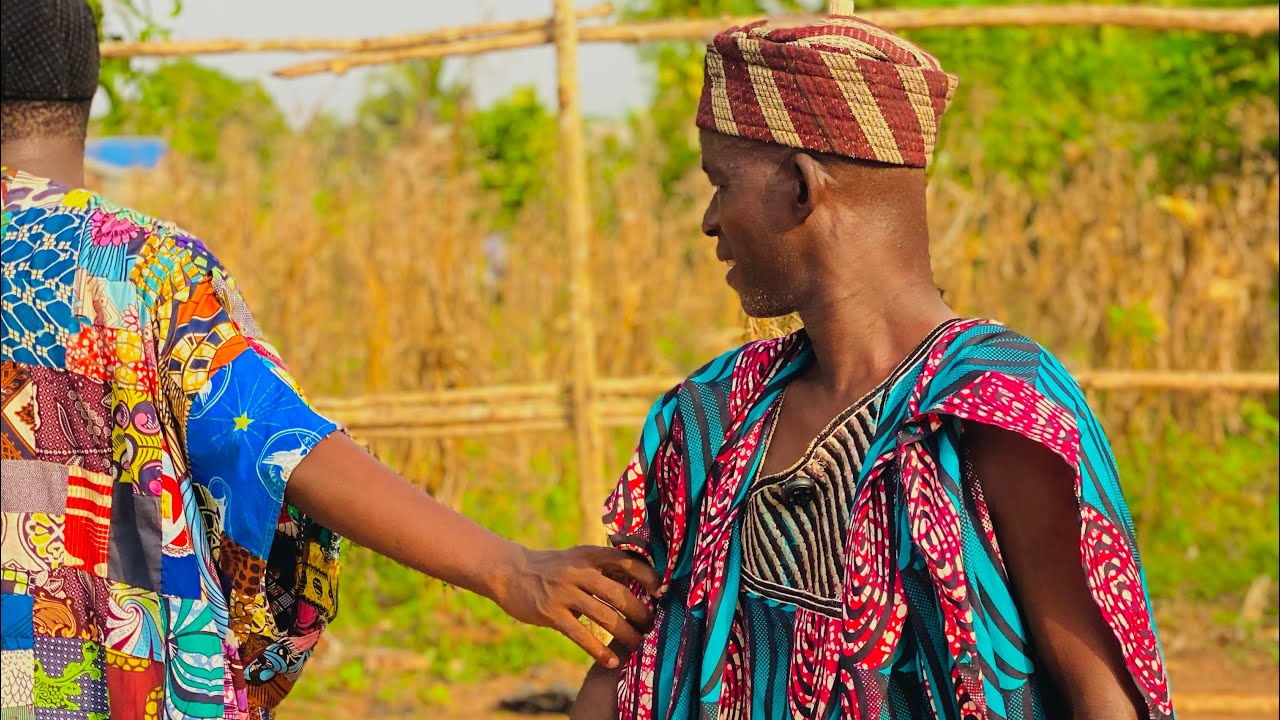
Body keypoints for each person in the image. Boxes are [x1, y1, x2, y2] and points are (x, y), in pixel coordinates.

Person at [0, 2, 658, 719]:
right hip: (109, 684)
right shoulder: (138, 269)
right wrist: (509, 568)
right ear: (89, 85)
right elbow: (281, 445)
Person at [574, 14, 1175, 720]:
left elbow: (1101, 695)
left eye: (721, 182)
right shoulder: (714, 413)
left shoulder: (996, 406)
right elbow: (626, 672)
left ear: (801, 187)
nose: (709, 219)